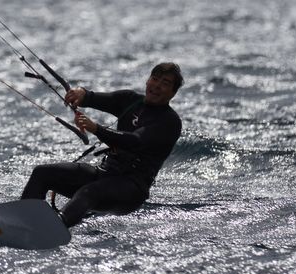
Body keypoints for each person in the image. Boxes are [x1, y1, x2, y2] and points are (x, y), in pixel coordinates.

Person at [21, 62, 185, 227]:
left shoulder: (169, 121)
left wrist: (96, 129)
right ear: (148, 81)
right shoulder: (130, 100)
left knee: (88, 192)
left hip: (131, 188)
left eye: (165, 83)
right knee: (42, 173)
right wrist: (80, 94)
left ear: (173, 92)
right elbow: (93, 98)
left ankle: (52, 229)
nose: (156, 86)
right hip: (105, 173)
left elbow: (134, 141)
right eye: (154, 79)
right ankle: (23, 222)